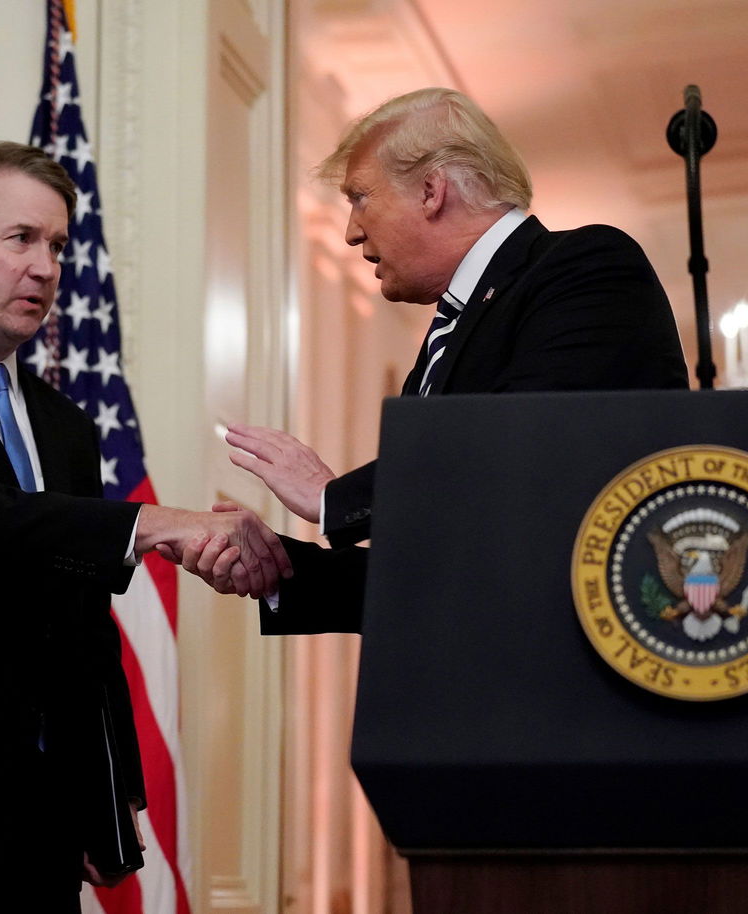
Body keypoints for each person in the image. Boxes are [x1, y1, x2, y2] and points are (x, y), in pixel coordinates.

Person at [0, 141, 290, 913]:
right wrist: (151, 524)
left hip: (41, 826)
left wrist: (112, 793)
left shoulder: (64, 426)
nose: (46, 267)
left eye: (58, 246)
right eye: (21, 239)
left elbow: (84, 625)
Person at [172, 87, 688, 632]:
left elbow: (523, 447)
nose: (349, 231)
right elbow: (450, 570)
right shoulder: (453, 330)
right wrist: (278, 570)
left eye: (360, 197)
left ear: (430, 190)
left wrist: (334, 498)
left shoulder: (586, 266)